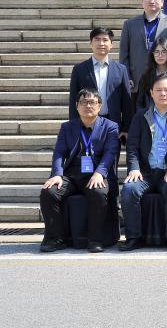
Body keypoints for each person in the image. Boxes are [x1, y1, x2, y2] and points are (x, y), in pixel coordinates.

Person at [119, 75, 167, 251]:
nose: (163, 93)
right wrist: (134, 168)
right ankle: (133, 237)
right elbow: (132, 146)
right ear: (151, 93)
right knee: (129, 190)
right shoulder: (140, 116)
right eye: (158, 90)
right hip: (145, 172)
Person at [39, 88, 120, 253]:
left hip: (96, 174)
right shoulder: (67, 127)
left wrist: (100, 173)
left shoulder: (110, 127)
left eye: (92, 102)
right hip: (72, 175)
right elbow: (59, 152)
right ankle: (56, 238)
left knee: (99, 192)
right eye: (84, 102)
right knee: (49, 192)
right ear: (77, 106)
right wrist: (57, 174)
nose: (88, 106)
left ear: (99, 106)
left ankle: (95, 239)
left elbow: (110, 153)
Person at [69, 27, 133, 135]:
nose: (101, 43)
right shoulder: (79, 69)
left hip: (113, 124)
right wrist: (74, 126)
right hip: (87, 123)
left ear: (111, 44)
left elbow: (127, 102)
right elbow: (73, 101)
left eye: (105, 40)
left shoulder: (121, 70)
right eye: (97, 40)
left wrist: (126, 129)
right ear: (91, 43)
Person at [119, 0, 167, 97]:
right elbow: (124, 54)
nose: (152, 1)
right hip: (137, 80)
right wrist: (127, 76)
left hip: (165, 81)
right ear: (142, 2)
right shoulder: (129, 24)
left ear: (162, 2)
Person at [134, 38, 167, 111]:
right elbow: (139, 102)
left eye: (164, 52)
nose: (160, 55)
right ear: (152, 54)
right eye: (157, 52)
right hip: (150, 116)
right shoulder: (145, 77)